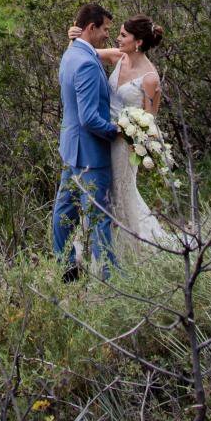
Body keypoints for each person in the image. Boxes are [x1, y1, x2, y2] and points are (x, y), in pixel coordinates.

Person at [72, 15, 180, 256]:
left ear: (138, 42)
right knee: (99, 189)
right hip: (102, 134)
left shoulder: (150, 78)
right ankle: (94, 247)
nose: (117, 38)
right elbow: (84, 53)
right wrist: (75, 37)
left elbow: (150, 121)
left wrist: (137, 143)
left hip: (124, 145)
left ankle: (129, 250)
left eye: (123, 35)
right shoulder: (118, 57)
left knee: (119, 192)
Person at [52, 3, 119, 280]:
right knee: (99, 218)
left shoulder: (71, 54)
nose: (107, 35)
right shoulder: (88, 65)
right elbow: (90, 118)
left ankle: (66, 270)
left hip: (71, 150)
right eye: (105, 29)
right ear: (91, 28)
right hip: (91, 155)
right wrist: (118, 132)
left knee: (63, 212)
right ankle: (111, 281)